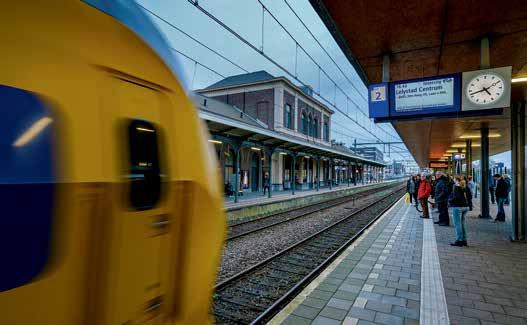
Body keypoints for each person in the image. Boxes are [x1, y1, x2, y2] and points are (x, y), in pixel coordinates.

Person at [449, 176, 472, 247]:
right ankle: (464, 240)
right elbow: (470, 196)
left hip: (457, 207)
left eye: (454, 179)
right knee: (462, 224)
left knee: (457, 224)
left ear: (456, 180)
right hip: (465, 207)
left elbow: (456, 197)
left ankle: (459, 240)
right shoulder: (465, 186)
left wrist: (449, 201)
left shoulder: (456, 187)